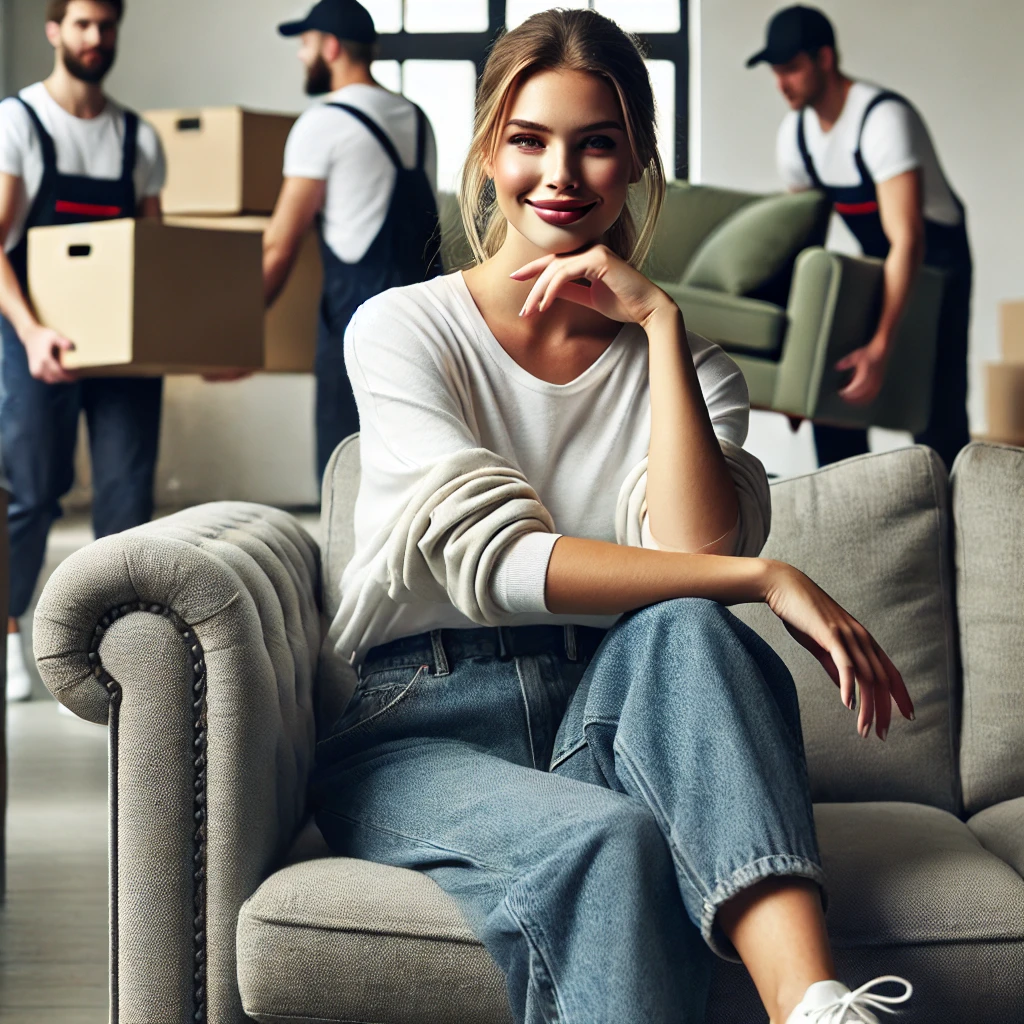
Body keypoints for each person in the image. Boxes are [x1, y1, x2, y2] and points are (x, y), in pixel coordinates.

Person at [313, 10, 916, 1023]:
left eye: (596, 143)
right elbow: (497, 563)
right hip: (422, 726)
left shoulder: (690, 370)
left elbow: (688, 555)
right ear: (487, 151)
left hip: (608, 708)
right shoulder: (402, 328)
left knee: (685, 619)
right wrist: (771, 578)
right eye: (529, 140)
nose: (560, 174)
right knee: (607, 837)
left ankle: (816, 1006)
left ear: (636, 158)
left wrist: (660, 326)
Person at [0, 0, 166, 702]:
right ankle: (10, 634)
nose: (95, 38)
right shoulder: (20, 123)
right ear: (54, 29)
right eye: (82, 25)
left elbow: (157, 256)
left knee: (127, 499)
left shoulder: (139, 137)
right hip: (38, 336)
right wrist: (34, 331)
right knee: (32, 492)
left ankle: (112, 650)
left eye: (106, 25)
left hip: (123, 349)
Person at [749, 5, 971, 471]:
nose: (781, 83)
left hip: (937, 261)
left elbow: (907, 239)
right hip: (878, 258)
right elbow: (804, 251)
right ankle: (856, 515)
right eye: (775, 71)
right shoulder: (795, 137)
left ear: (824, 59)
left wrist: (882, 346)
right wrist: (797, 373)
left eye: (791, 68)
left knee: (935, 407)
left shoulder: (882, 120)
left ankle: (954, 529)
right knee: (832, 385)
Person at [264, 0, 441, 481]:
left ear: (332, 46)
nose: (302, 55)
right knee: (416, 467)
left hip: (355, 324)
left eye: (305, 44)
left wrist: (238, 330)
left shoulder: (322, 123)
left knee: (347, 470)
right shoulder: (418, 119)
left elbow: (279, 245)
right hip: (427, 318)